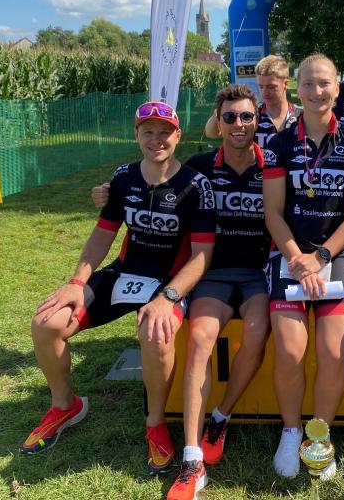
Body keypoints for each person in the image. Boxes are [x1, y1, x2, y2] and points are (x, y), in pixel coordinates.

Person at [21, 102, 215, 478]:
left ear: (178, 136)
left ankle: (155, 423)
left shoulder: (196, 185)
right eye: (148, 131)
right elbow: (102, 235)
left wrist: (169, 297)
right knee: (46, 323)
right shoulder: (123, 177)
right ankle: (65, 405)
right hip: (124, 272)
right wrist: (77, 283)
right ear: (136, 135)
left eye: (165, 132)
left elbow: (203, 254)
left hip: (168, 283)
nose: (156, 139)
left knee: (155, 333)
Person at [262, 53, 344, 478]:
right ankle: (292, 431)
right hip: (289, 255)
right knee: (291, 350)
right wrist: (297, 258)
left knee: (331, 350)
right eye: (308, 83)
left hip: (336, 256)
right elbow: (273, 213)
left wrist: (321, 256)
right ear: (297, 89)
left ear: (337, 89)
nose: (316, 90)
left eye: (324, 82)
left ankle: (321, 435)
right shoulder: (279, 144)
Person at [164, 84, 272, 499]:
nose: (238, 124)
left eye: (246, 116)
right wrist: (109, 193)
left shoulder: (273, 165)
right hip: (212, 271)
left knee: (258, 333)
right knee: (200, 340)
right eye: (230, 117)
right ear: (218, 122)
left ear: (257, 121)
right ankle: (192, 459)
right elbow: (155, 181)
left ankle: (221, 415)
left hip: (258, 274)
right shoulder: (199, 166)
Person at [204, 54, 301, 148]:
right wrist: (220, 113)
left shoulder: (301, 115)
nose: (264, 92)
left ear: (286, 84)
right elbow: (211, 134)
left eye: (271, 87)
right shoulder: (252, 113)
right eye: (261, 86)